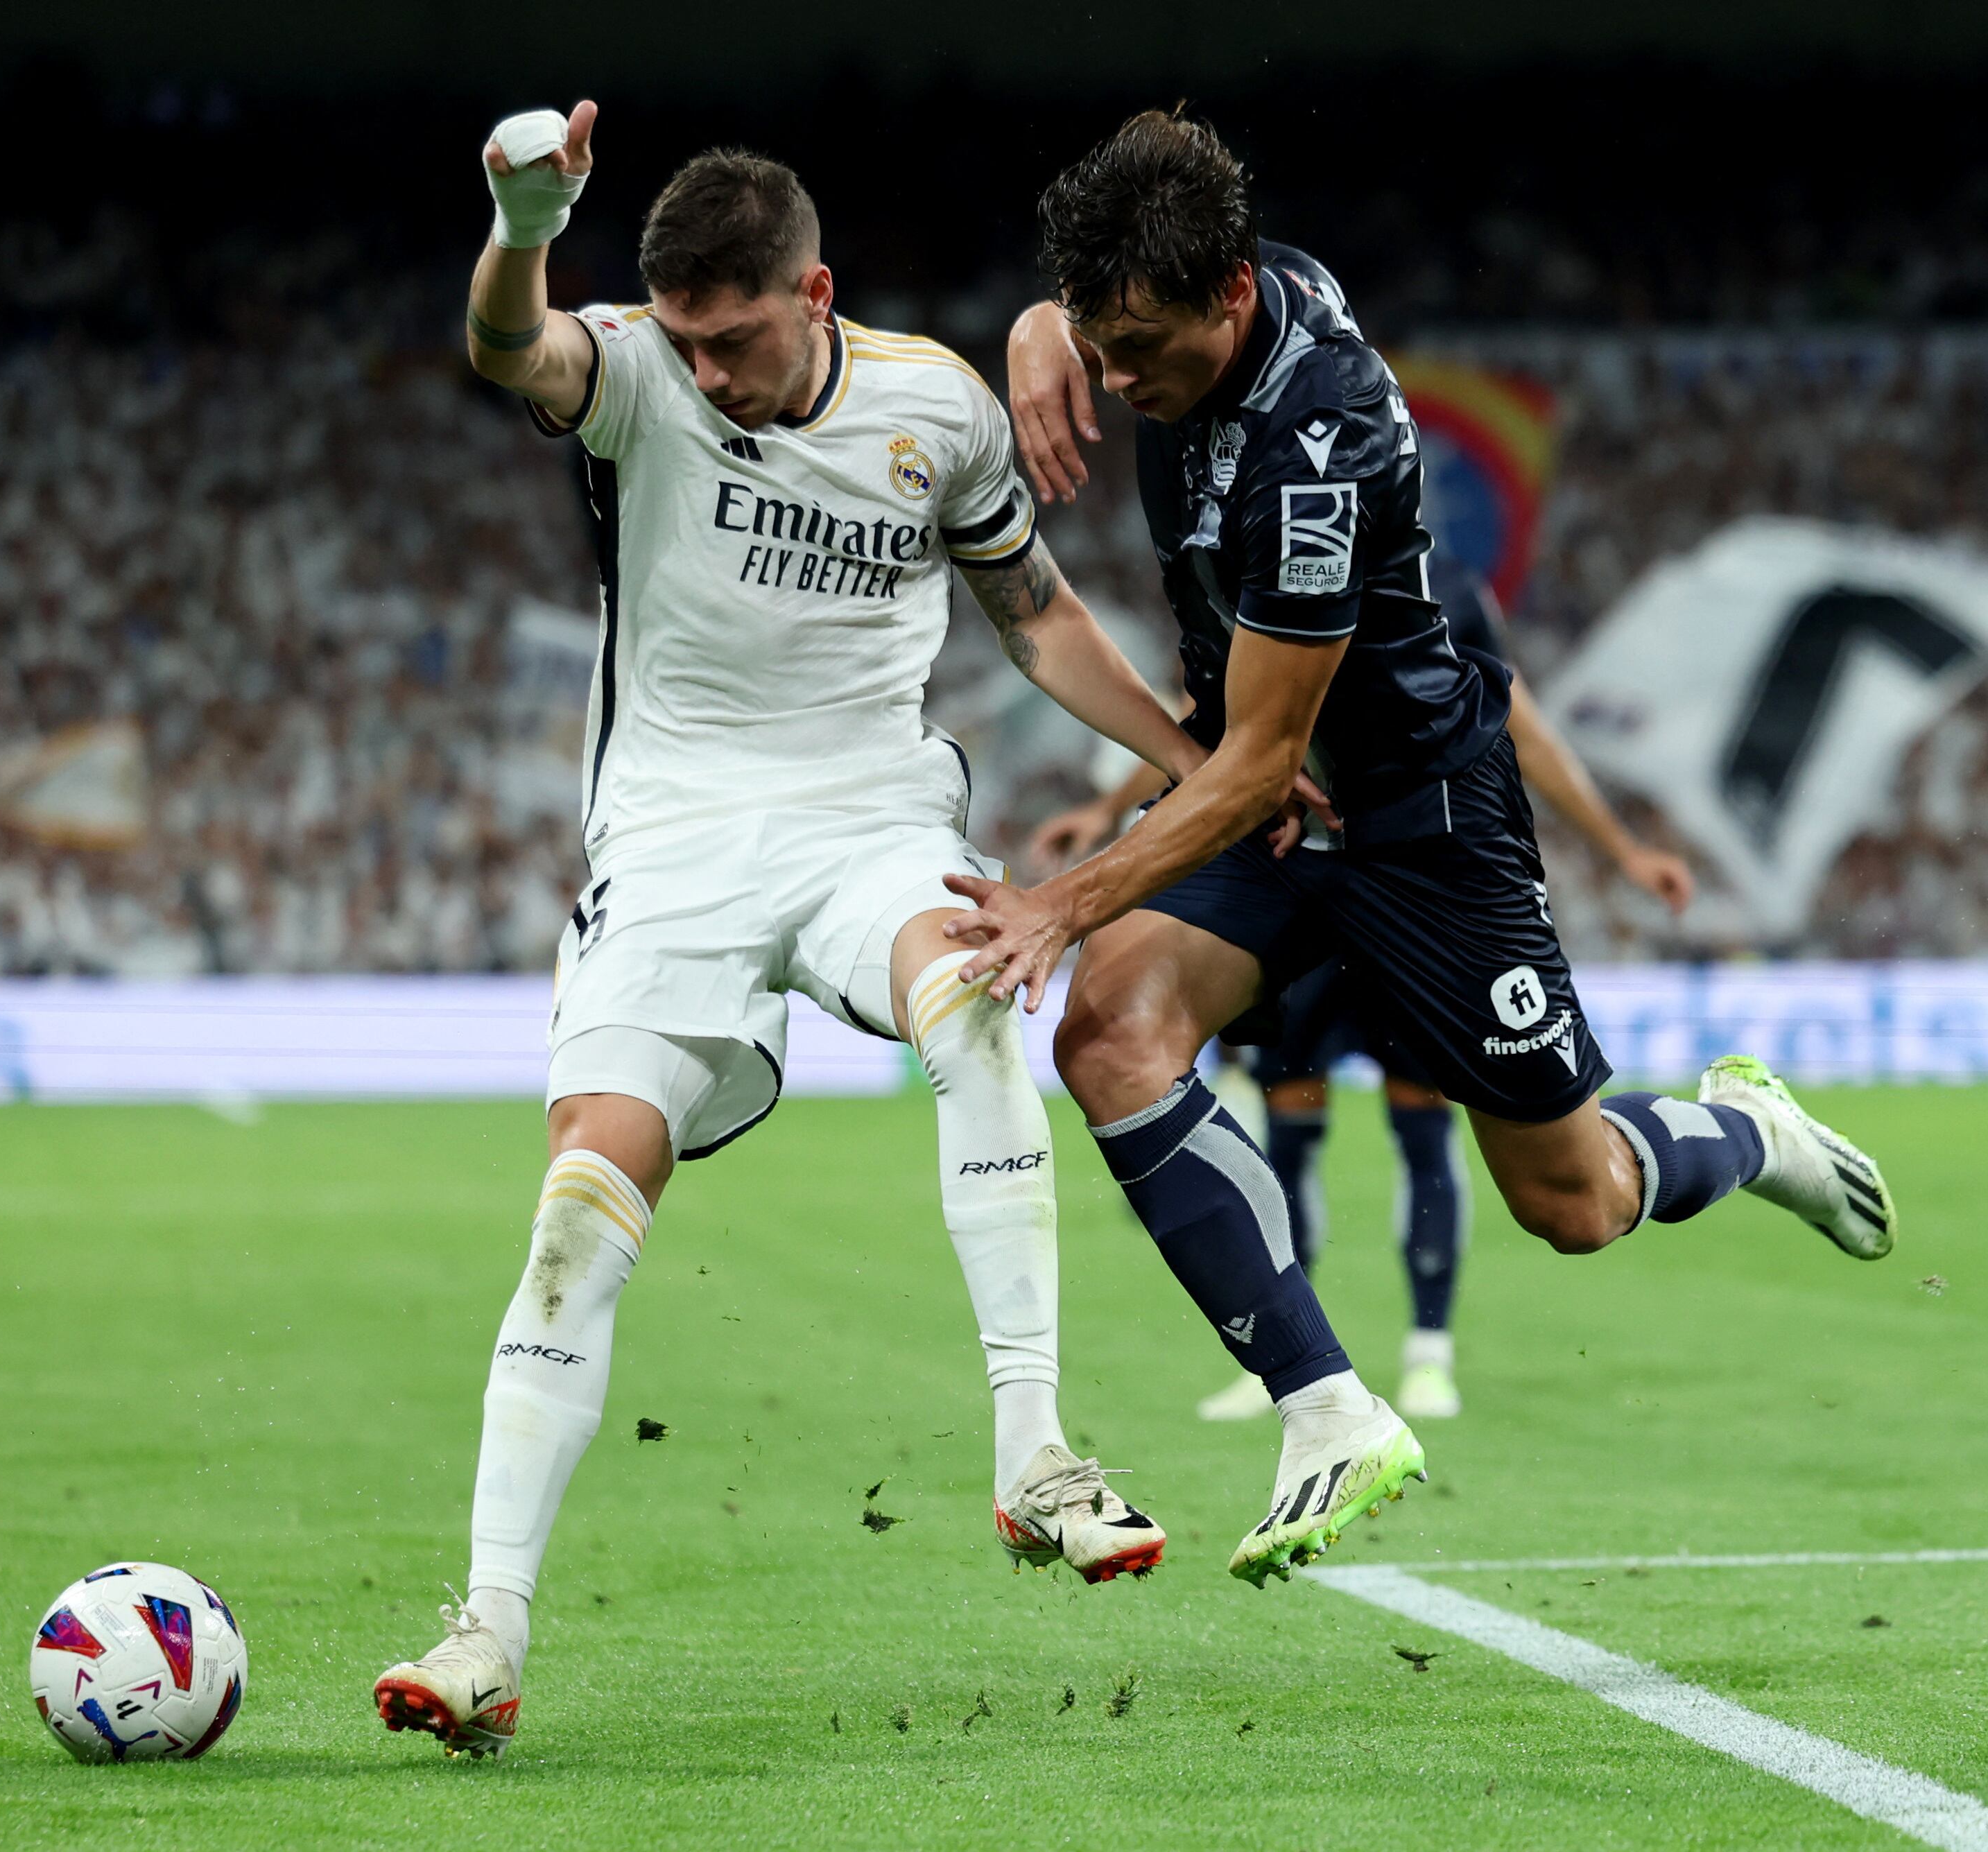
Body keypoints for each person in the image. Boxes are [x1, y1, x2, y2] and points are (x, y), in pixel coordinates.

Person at [947, 110, 1896, 1589]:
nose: (1119, 383)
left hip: (1410, 815)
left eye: (1142, 353)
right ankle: (1328, 1407)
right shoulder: (1214, 287)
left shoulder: (1319, 451)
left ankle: (1746, 1132)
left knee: (1572, 1202)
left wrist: (1058, 900)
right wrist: (1036, 328)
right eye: (1103, 345)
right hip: (1272, 800)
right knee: (1115, 1034)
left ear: (1234, 299)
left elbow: (1259, 757)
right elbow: (1109, 315)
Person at [374, 103, 1208, 1756]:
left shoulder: (935, 412)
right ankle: (488, 1628)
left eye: (737, 338)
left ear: (813, 291)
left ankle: (1034, 1453)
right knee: (577, 1205)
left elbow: (1034, 620)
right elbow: (502, 344)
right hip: (672, 840)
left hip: (860, 818)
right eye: (684, 336)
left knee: (975, 1000)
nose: (711, 371)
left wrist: (1193, 761)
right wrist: (524, 218)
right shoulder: (637, 372)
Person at [1026, 567, 1696, 1426]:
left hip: (1415, 887)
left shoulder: (1440, 584)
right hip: (1292, 877)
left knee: (1426, 1125)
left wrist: (1621, 848)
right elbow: (1223, 724)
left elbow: (1514, 723)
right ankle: (1288, 1356)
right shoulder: (1258, 540)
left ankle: (1429, 1352)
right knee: (1292, 1128)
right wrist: (1107, 804)